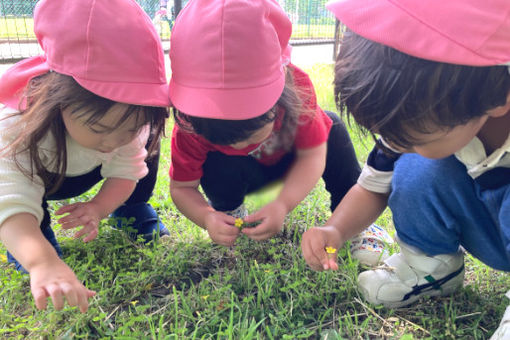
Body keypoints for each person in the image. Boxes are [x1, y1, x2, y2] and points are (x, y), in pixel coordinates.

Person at [301, 0, 510, 338]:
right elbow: (373, 186)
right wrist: (335, 231)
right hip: (491, 221)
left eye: (414, 137)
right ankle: (430, 264)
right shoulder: (426, 117)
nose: (396, 144)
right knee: (413, 167)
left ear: (499, 96)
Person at [167, 0, 392, 265]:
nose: (243, 147)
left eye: (253, 134)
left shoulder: (297, 87)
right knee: (218, 163)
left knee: (332, 128)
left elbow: (313, 156)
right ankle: (230, 214)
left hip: (290, 163)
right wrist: (206, 216)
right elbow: (182, 187)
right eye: (224, 140)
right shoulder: (190, 125)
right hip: (238, 176)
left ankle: (357, 221)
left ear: (280, 93)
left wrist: (283, 204)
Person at [0, 0, 170, 313]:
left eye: (129, 128)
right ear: (56, 98)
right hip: (42, 174)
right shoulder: (16, 128)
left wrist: (100, 207)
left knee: (148, 151)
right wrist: (41, 261)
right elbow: (9, 201)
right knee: (28, 226)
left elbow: (126, 172)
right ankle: (38, 237)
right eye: (100, 127)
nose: (116, 140)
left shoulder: (130, 123)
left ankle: (132, 209)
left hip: (92, 171)